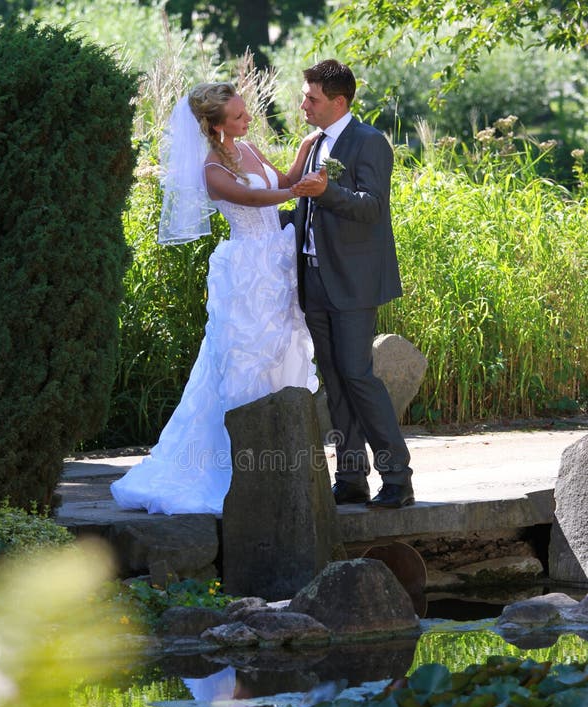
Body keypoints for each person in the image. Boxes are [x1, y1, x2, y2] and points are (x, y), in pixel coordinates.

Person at [111, 83, 318, 515]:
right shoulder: (211, 169)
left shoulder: (251, 149)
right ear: (215, 124)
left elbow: (280, 181)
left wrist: (302, 154)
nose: (247, 121)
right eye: (239, 117)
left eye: (246, 113)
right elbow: (254, 197)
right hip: (246, 268)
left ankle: (279, 458)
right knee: (246, 357)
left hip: (274, 264)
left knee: (280, 351)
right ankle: (238, 464)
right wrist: (295, 194)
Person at [291, 59, 414, 509]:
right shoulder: (313, 143)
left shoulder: (369, 142)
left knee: (359, 376)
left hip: (353, 282)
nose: (304, 104)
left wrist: (328, 192)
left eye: (312, 98)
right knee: (336, 381)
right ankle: (350, 477)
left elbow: (372, 208)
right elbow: (307, 209)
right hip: (314, 280)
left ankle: (398, 479)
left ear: (338, 102)